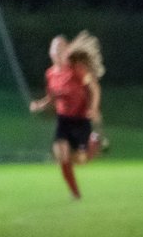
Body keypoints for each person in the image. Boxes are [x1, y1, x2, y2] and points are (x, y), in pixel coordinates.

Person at [29, 32, 105, 199]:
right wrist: (39, 105)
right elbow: (51, 98)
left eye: (61, 47)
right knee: (61, 155)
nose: (57, 51)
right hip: (63, 120)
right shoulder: (50, 74)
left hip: (81, 119)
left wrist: (93, 107)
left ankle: (94, 141)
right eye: (54, 48)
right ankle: (75, 192)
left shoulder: (77, 69)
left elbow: (94, 87)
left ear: (67, 50)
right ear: (50, 52)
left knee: (81, 160)